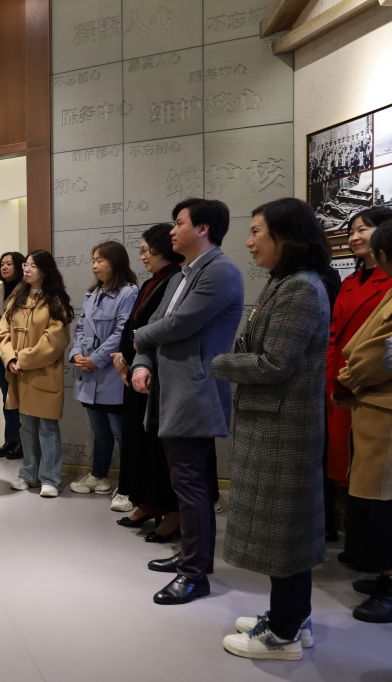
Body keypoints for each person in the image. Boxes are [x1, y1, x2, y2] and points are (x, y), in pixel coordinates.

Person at [211, 198, 331, 660]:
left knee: (285, 534)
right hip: (273, 424)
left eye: (257, 231)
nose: (249, 241)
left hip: (283, 430)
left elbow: (276, 363)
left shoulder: (300, 288)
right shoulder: (285, 282)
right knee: (286, 532)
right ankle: (293, 617)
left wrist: (221, 363)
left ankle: (282, 636)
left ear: (287, 236)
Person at [132, 198, 244, 606]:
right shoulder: (184, 273)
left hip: (195, 390)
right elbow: (155, 323)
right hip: (171, 388)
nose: (172, 231)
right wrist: (142, 362)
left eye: (179, 223)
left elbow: (179, 324)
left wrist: (138, 341)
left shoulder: (221, 271)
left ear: (203, 229)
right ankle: (192, 556)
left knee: (191, 483)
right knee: (182, 481)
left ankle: (195, 574)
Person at [334, 220, 392, 624]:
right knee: (376, 499)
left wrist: (349, 378)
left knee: (386, 501)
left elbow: (378, 353)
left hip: (382, 406)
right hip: (372, 405)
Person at [111, 224, 183, 539]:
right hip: (136, 370)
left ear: (162, 248)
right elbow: (133, 324)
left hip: (156, 374)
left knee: (156, 449)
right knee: (137, 444)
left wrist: (130, 357)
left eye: (145, 250)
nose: (142, 257)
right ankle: (145, 504)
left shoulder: (176, 280)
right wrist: (123, 358)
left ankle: (170, 512)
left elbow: (158, 328)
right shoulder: (152, 281)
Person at [326, 207, 392, 540]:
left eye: (363, 229)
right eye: (351, 230)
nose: (354, 237)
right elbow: (333, 333)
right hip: (341, 380)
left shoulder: (389, 280)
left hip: (372, 385)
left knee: (373, 470)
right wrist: (331, 376)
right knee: (345, 460)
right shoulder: (350, 281)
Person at [0, 250, 73, 497]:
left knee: (47, 428)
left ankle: (50, 478)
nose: (26, 269)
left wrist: (22, 359)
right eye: (26, 265)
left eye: (32, 266)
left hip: (43, 373)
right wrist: (10, 358)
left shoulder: (55, 301)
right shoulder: (17, 298)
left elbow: (54, 341)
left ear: (45, 270)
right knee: (26, 427)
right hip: (18, 373)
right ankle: (28, 474)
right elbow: (3, 333)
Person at [68, 241, 137, 498]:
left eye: (100, 260)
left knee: (122, 433)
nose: (95, 265)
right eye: (93, 260)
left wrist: (96, 359)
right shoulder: (93, 294)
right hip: (89, 372)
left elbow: (122, 333)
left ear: (115, 262)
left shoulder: (128, 292)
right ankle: (99, 476)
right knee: (100, 430)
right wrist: (76, 354)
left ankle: (131, 487)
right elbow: (80, 328)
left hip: (112, 372)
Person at [0, 251, 25, 460]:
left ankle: (22, 441)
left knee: (19, 396)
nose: (4, 267)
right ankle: (10, 439)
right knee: (6, 396)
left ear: (19, 266)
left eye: (9, 263)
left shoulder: (25, 290)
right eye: (2, 263)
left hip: (17, 350)